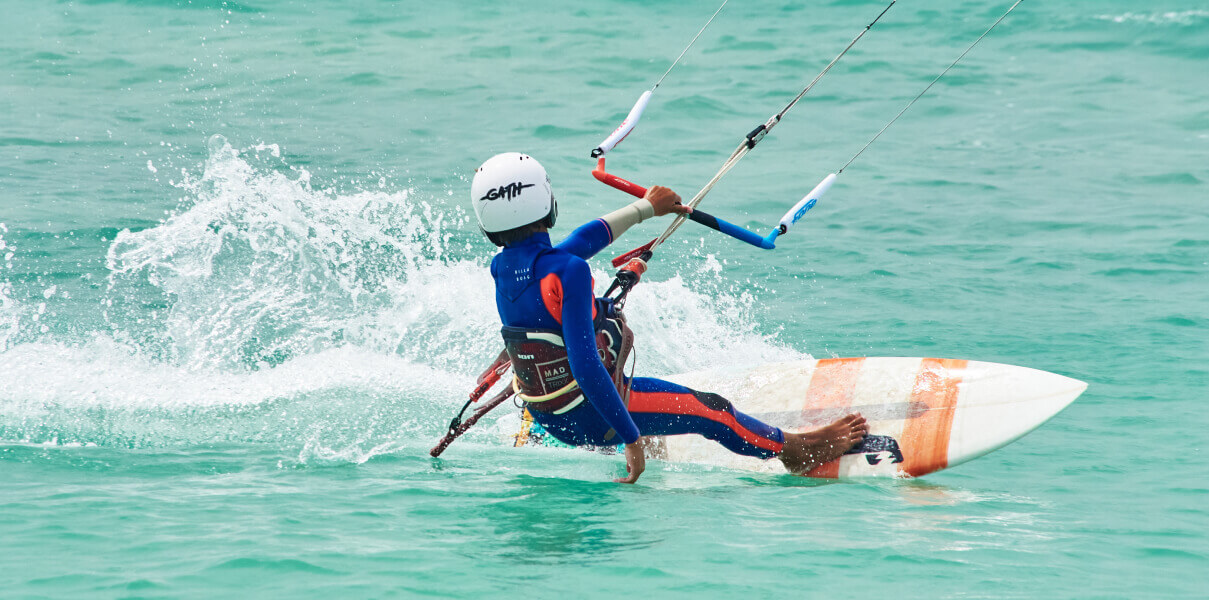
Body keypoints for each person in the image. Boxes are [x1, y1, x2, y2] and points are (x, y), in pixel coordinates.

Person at [472, 152, 868, 483]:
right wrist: (630, 439)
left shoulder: (504, 269)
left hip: (548, 415)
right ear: (546, 201)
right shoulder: (567, 272)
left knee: (650, 411)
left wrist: (646, 208)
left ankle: (623, 434)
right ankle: (793, 451)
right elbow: (587, 366)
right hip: (589, 414)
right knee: (713, 411)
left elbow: (580, 243)